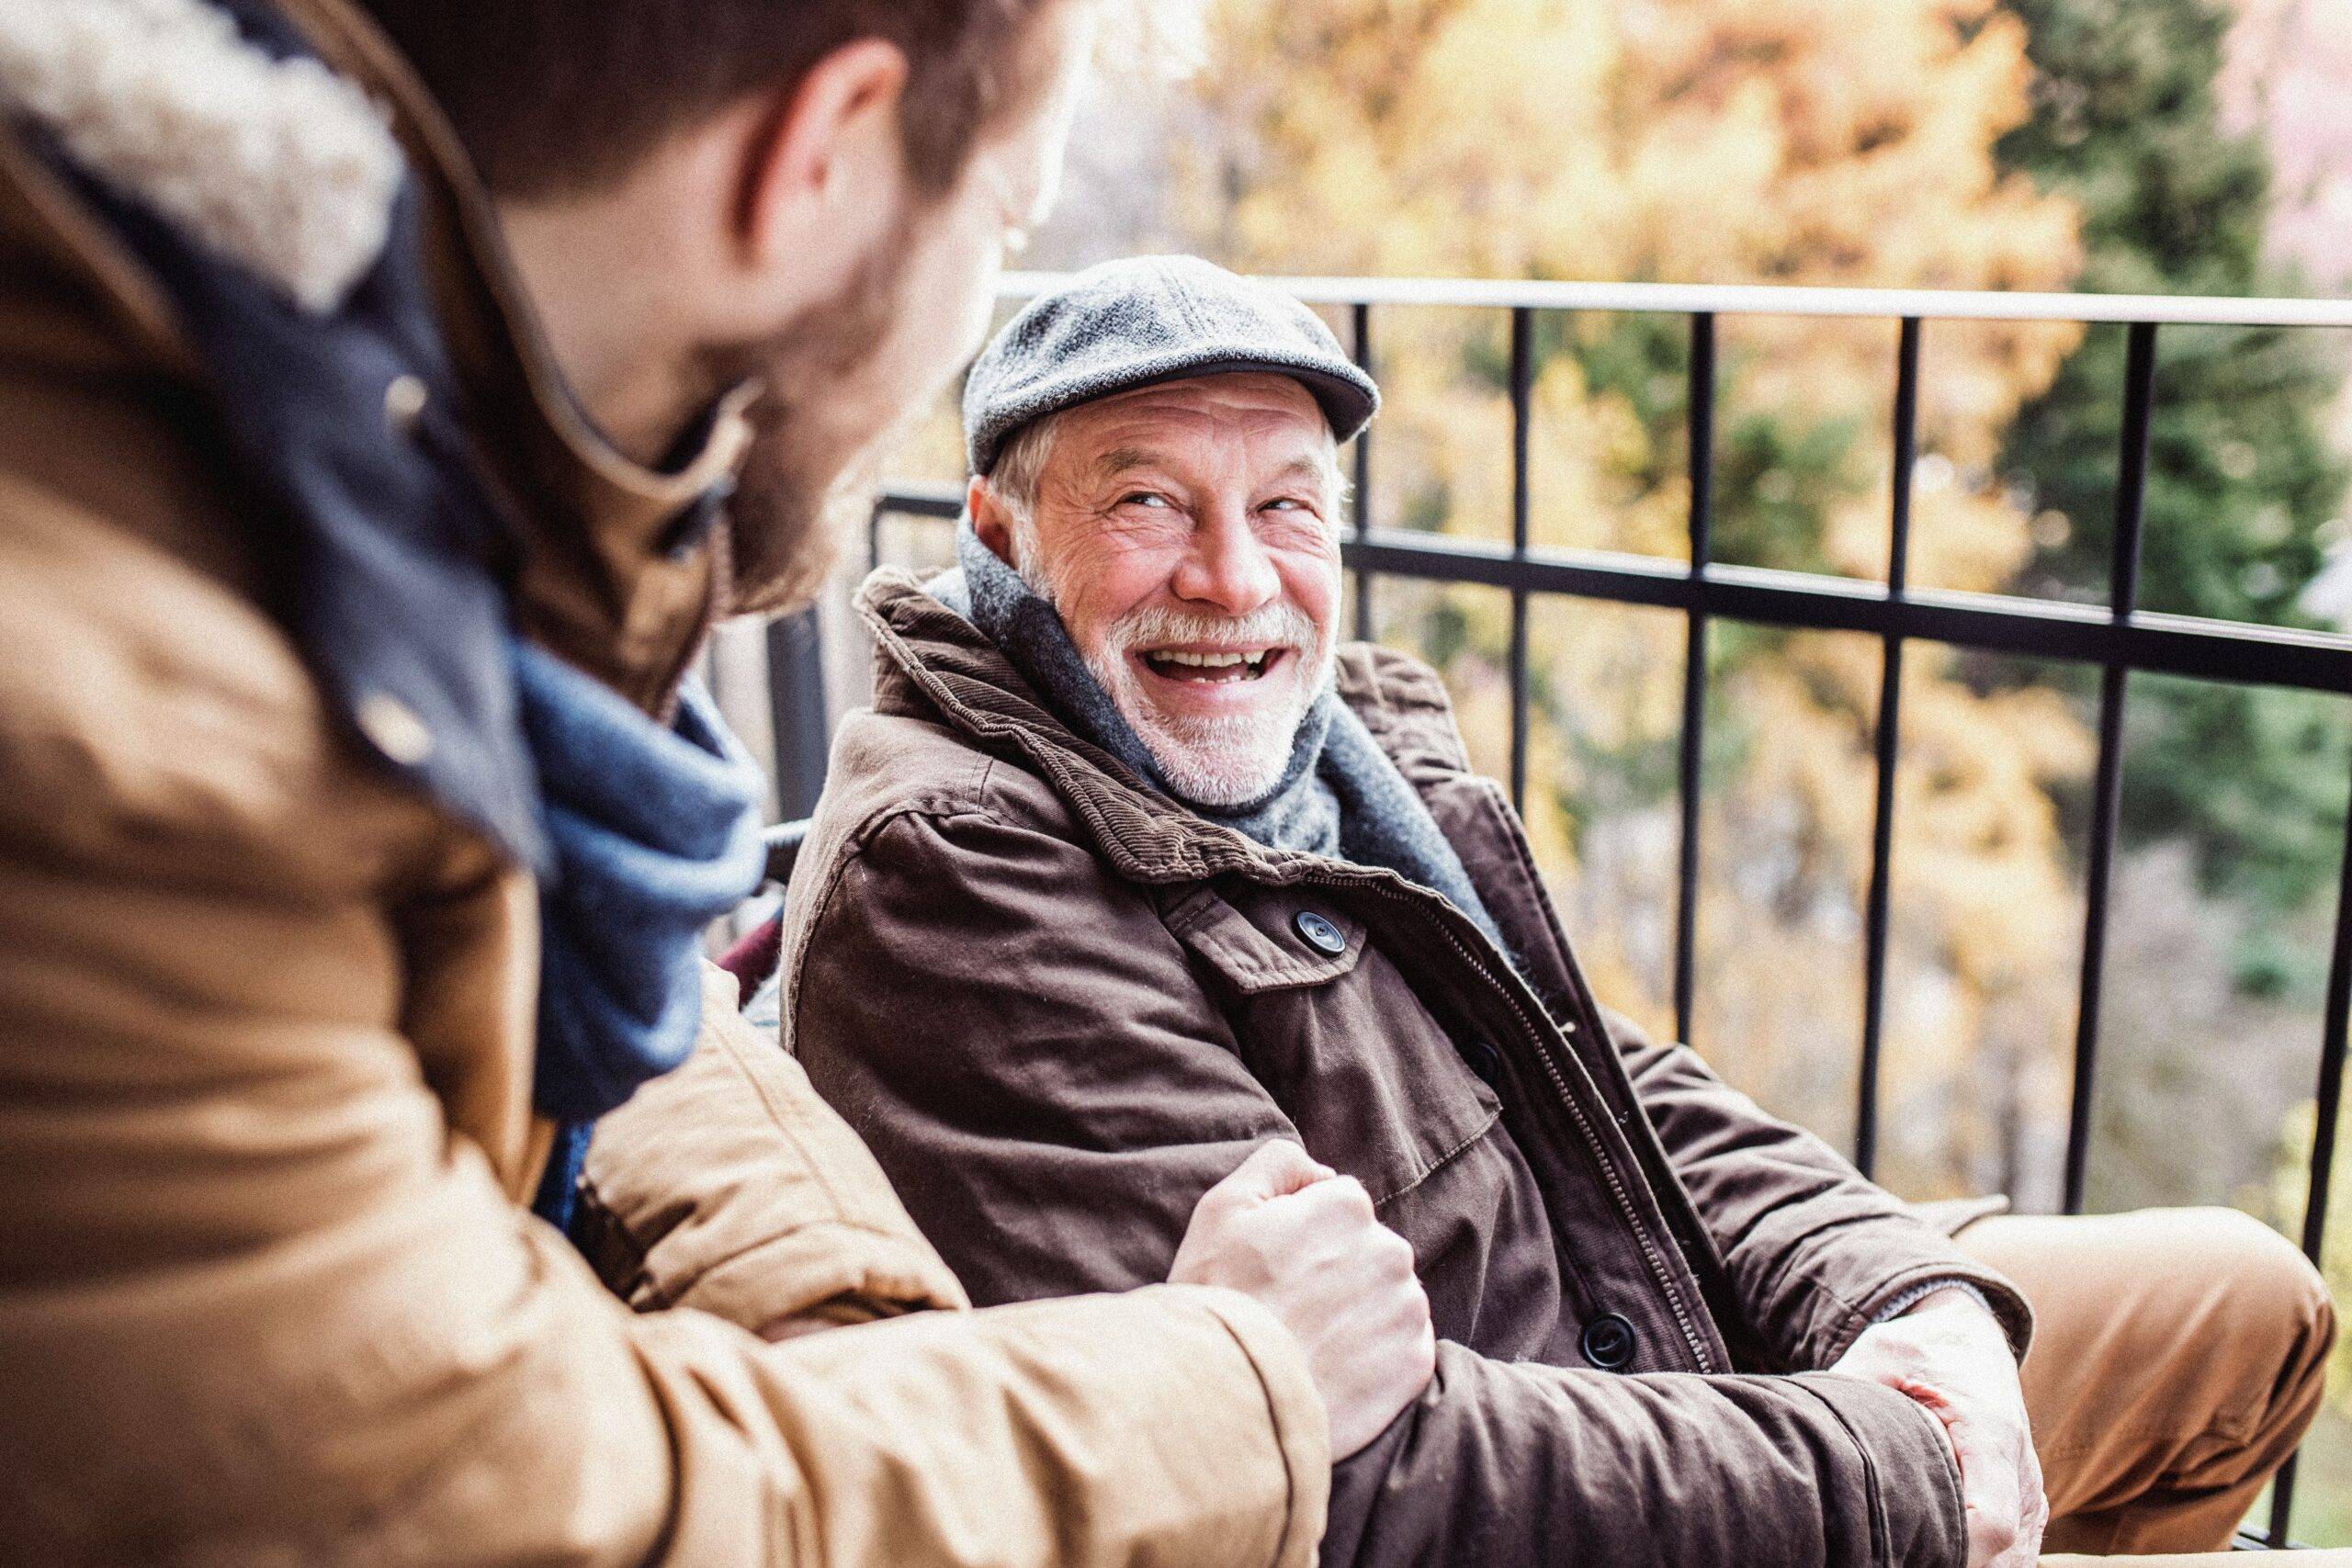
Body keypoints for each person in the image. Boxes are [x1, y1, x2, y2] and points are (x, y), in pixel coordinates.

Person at [0, 4, 1437, 1562]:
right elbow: (504, 1502)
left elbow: (604, 1007)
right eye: (1004, 219)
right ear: (815, 159)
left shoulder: (330, 464)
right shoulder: (105, 734)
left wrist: (847, 1320)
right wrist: (1236, 1385)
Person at [770, 255, 2343, 1568]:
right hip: (1530, 1468)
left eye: (1288, 507)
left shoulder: (1336, 750)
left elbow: (1599, 1073)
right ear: (998, 532)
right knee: (1981, 1462)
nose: (1238, 579)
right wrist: (1886, 1469)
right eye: (1149, 505)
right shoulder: (956, 869)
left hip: (1642, 1319)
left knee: (2243, 1303)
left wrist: (1899, 1299)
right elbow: (1349, 1478)